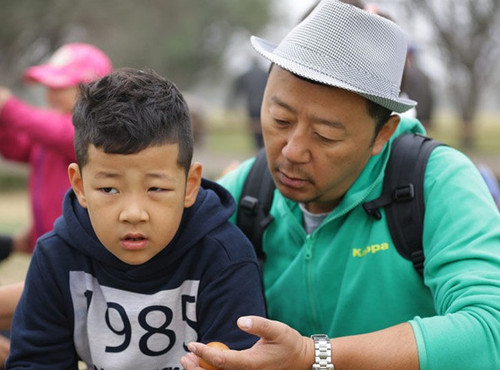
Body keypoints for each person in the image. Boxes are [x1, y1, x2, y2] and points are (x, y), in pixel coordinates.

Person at [180, 1, 500, 369]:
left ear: (383, 133)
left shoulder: (437, 181)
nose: (293, 150)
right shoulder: (246, 192)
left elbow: (489, 329)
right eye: (280, 119)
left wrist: (313, 356)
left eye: (325, 136)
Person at [6, 68, 266, 369]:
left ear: (190, 185)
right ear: (79, 186)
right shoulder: (56, 257)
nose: (133, 213)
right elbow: (35, 362)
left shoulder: (225, 258)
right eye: (109, 189)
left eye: (156, 188)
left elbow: (240, 358)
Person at [0, 42, 112, 257]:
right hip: (51, 241)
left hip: (79, 248)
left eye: (60, 87)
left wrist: (8, 107)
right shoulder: (50, 131)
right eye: (49, 87)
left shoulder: (94, 130)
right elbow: (16, 149)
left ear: (91, 90)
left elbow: (60, 133)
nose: (51, 94)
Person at [229, 58, 268, 149]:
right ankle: (262, 146)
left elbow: (237, 90)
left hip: (251, 105)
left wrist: (231, 104)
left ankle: (257, 146)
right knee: (263, 124)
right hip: (263, 104)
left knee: (253, 126)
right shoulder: (265, 74)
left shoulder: (246, 74)